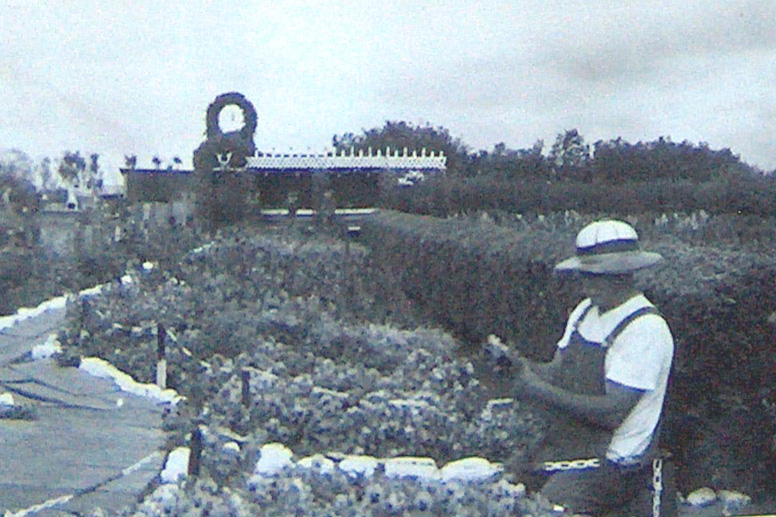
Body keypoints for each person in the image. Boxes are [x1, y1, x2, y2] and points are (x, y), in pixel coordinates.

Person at [513, 219, 675, 516]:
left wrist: (537, 390)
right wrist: (517, 366)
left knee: (549, 506)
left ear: (625, 274)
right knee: (508, 483)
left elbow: (612, 414)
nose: (587, 285)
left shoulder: (645, 328)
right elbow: (557, 373)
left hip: (617, 463)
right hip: (576, 447)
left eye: (597, 276)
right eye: (584, 275)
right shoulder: (585, 310)